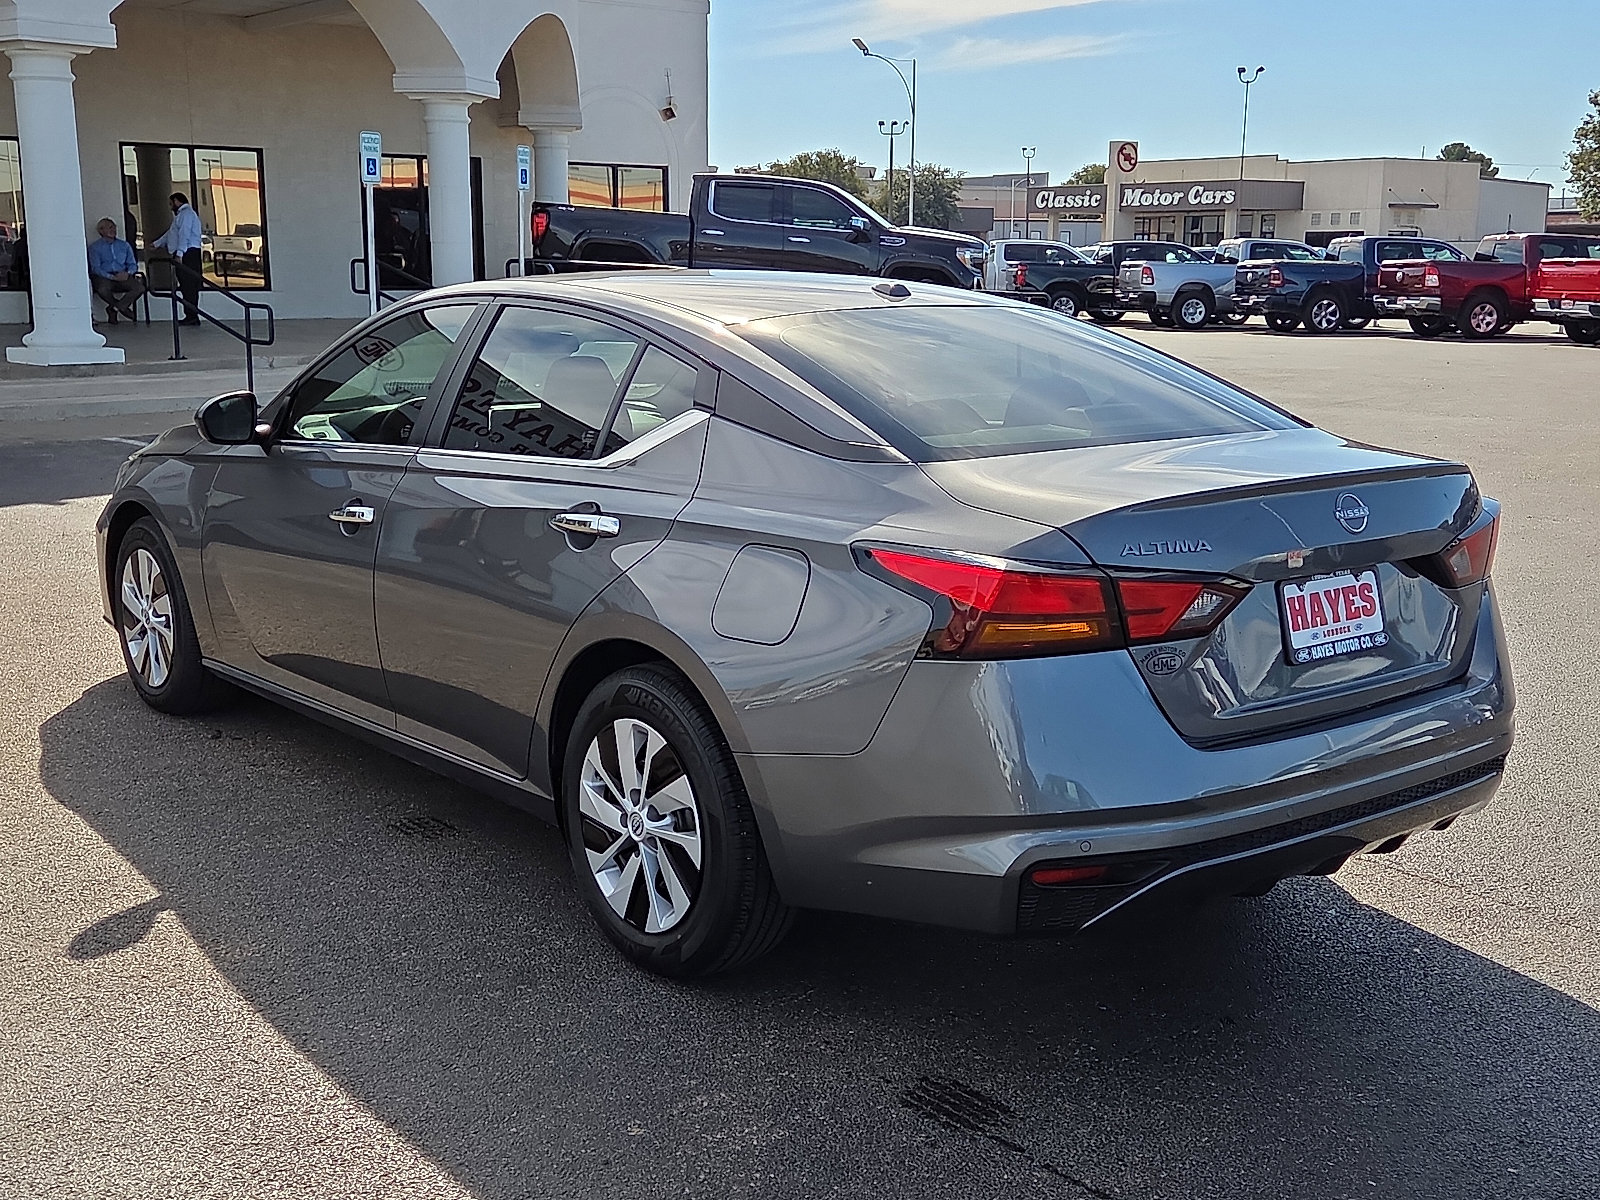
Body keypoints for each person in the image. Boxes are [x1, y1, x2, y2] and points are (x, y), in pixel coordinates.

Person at [152, 191, 203, 325]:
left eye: (171, 203)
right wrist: (157, 243)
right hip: (186, 252)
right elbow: (171, 233)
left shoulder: (186, 215)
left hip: (188, 253)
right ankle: (190, 315)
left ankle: (192, 316)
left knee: (189, 286)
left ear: (177, 201)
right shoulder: (181, 216)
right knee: (186, 286)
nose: (170, 207)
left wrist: (180, 253)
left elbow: (184, 234)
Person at [87, 218, 145, 325]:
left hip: (123, 274)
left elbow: (132, 263)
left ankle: (115, 308)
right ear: (101, 231)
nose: (113, 229)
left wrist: (128, 273)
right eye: (109, 227)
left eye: (113, 227)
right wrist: (112, 277)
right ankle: (120, 307)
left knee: (139, 288)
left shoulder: (124, 245)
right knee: (102, 289)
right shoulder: (95, 248)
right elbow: (96, 268)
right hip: (105, 276)